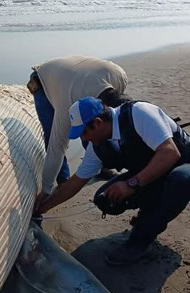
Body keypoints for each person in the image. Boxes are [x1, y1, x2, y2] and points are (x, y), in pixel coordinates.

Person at [34, 96, 190, 265]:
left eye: (84, 133)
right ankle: (149, 211)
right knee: (105, 200)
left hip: (189, 170)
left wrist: (131, 184)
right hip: (154, 178)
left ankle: (140, 240)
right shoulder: (98, 147)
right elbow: (76, 182)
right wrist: (43, 207)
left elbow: (170, 153)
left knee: (181, 180)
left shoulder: (139, 114)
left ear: (97, 123)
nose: (84, 139)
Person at [27, 56, 128, 203]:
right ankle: (63, 180)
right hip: (43, 79)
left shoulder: (118, 76)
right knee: (52, 134)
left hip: (73, 75)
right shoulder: (67, 105)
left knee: (95, 130)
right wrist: (45, 190)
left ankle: (101, 165)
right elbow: (57, 146)